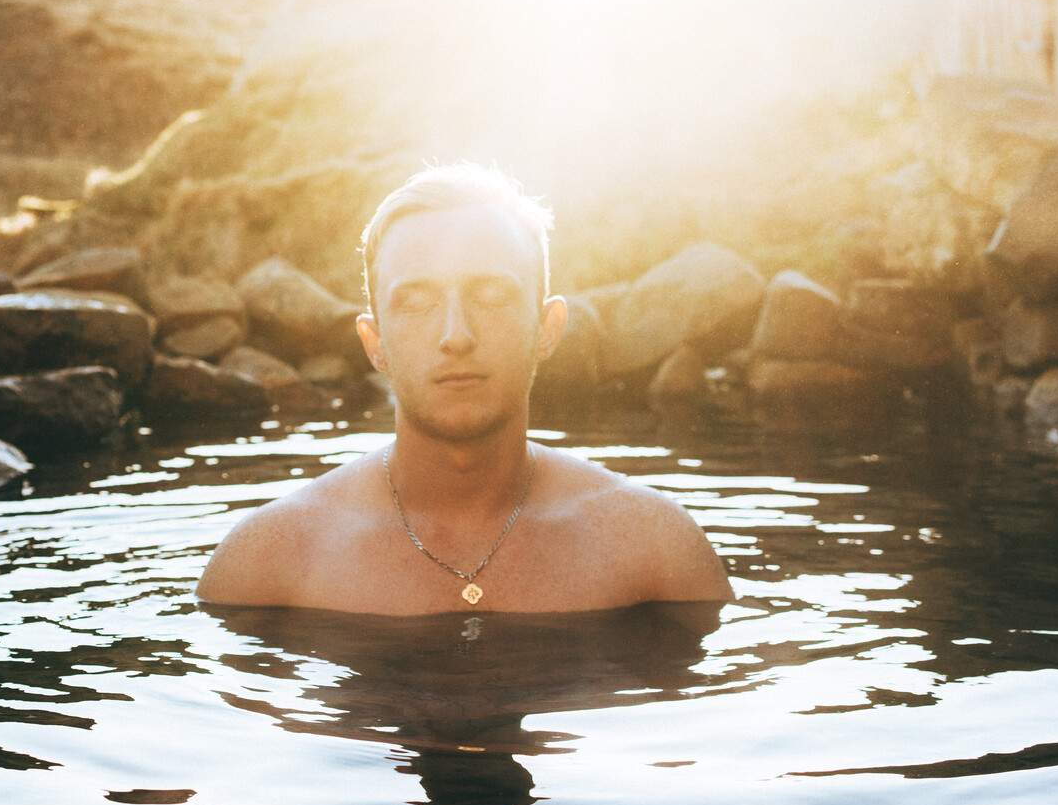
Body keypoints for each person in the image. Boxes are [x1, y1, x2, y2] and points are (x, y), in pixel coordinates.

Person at [196, 162, 734, 614]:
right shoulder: (267, 566)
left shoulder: (653, 550)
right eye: (415, 300)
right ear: (374, 341)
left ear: (546, 328)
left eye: (493, 294)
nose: (456, 335)